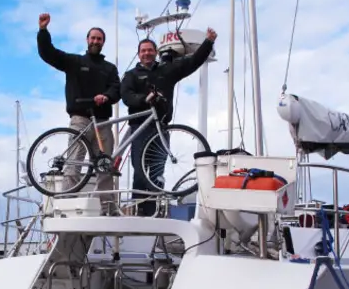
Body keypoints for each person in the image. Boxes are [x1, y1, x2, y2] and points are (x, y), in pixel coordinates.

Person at [120, 27, 217, 216]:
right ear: (139, 54)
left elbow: (193, 62)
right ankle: (140, 212)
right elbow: (126, 96)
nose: (147, 53)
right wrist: (144, 99)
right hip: (140, 126)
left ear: (155, 53)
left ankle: (153, 212)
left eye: (150, 50)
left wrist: (208, 42)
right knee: (140, 172)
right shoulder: (131, 75)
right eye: (143, 51)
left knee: (156, 171)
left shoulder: (167, 70)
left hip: (161, 127)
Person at [36, 12, 121, 215]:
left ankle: (107, 208)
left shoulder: (109, 68)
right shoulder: (74, 62)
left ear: (103, 43)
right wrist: (43, 31)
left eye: (99, 39)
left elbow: (116, 89)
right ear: (87, 40)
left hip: (102, 122)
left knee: (105, 167)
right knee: (73, 165)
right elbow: (49, 54)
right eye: (92, 38)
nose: (95, 41)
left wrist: (106, 96)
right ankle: (65, 205)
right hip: (80, 120)